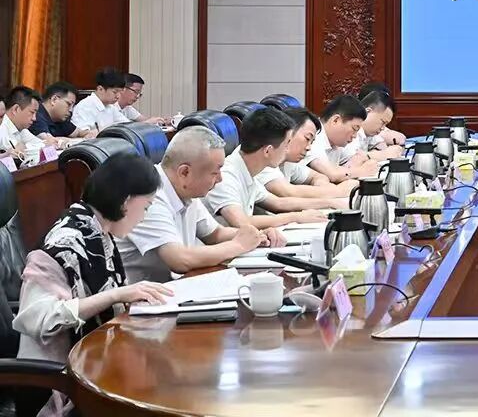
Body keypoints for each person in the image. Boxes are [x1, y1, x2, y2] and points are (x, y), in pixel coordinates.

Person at [15, 153, 172, 415]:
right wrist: (116, 295)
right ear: (126, 202)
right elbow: (39, 319)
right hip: (56, 384)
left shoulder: (98, 232)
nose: (144, 217)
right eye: (146, 207)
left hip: (93, 364)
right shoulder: (64, 242)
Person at [116, 126, 263, 282]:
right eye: (215, 172)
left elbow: (215, 234)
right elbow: (180, 260)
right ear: (184, 172)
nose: (220, 179)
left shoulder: (185, 189)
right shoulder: (147, 195)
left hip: (174, 286)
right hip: (141, 294)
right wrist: (239, 245)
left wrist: (256, 235)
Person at [204, 108, 330, 238]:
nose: (287, 149)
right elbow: (242, 222)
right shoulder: (226, 176)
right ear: (268, 151)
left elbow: (278, 203)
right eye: (286, 143)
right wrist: (296, 217)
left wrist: (329, 204)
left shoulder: (248, 169)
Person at [302, 95, 372, 183]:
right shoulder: (314, 137)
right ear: (335, 120)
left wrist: (346, 172)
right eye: (354, 129)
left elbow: (358, 157)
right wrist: (362, 171)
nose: (354, 136)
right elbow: (333, 175)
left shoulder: (336, 141)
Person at [31, 81, 97, 145]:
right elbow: (50, 142)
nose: (71, 110)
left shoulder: (59, 118)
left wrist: (90, 134)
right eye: (69, 104)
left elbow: (78, 133)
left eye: (72, 106)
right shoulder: (35, 114)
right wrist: (82, 140)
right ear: (54, 100)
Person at [1, 86, 44, 167]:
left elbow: (42, 146)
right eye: (32, 112)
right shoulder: (2, 127)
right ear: (16, 109)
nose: (34, 118)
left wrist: (25, 146)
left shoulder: (21, 128)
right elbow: (17, 154)